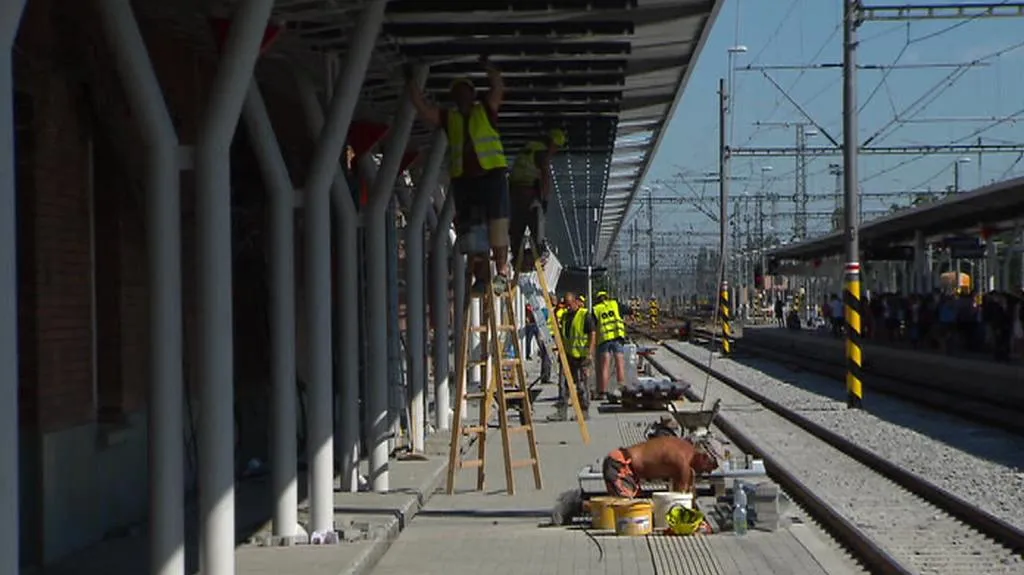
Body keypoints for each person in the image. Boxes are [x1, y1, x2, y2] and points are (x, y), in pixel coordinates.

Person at [407, 56, 511, 294]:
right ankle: (483, 278)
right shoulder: (448, 118)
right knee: (472, 232)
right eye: (457, 92)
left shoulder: (484, 110)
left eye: (465, 91)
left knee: (497, 225)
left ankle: (502, 272)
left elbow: (498, 88)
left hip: (492, 174)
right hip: (465, 181)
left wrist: (489, 68)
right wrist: (411, 83)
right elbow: (423, 109)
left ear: (473, 95)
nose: (461, 95)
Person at [508, 128, 567, 264]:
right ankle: (539, 253)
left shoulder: (531, 146)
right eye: (556, 148)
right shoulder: (542, 153)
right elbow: (545, 177)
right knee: (537, 217)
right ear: (552, 143)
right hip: (526, 191)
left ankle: (518, 257)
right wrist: (545, 200)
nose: (555, 152)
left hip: (513, 192)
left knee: (517, 226)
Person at [603, 435, 724, 497]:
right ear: (704, 457)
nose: (708, 473)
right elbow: (681, 500)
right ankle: (587, 507)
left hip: (627, 468)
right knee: (624, 513)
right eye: (710, 467)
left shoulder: (686, 449)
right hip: (619, 466)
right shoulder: (682, 463)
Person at [549, 292, 595, 421]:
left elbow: (592, 334)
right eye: (566, 305)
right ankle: (561, 412)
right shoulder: (565, 316)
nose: (568, 307)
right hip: (568, 356)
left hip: (582, 357)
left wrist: (590, 354)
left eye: (569, 305)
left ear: (576, 302)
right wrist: (557, 307)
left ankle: (584, 412)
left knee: (581, 385)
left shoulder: (585, 315)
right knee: (563, 384)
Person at [592, 290, 627, 399]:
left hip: (604, 339)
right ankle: (621, 388)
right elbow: (629, 310)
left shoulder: (596, 309)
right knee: (620, 364)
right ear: (607, 297)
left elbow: (593, 326)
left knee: (605, 366)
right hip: (618, 338)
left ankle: (603, 392)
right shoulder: (615, 304)